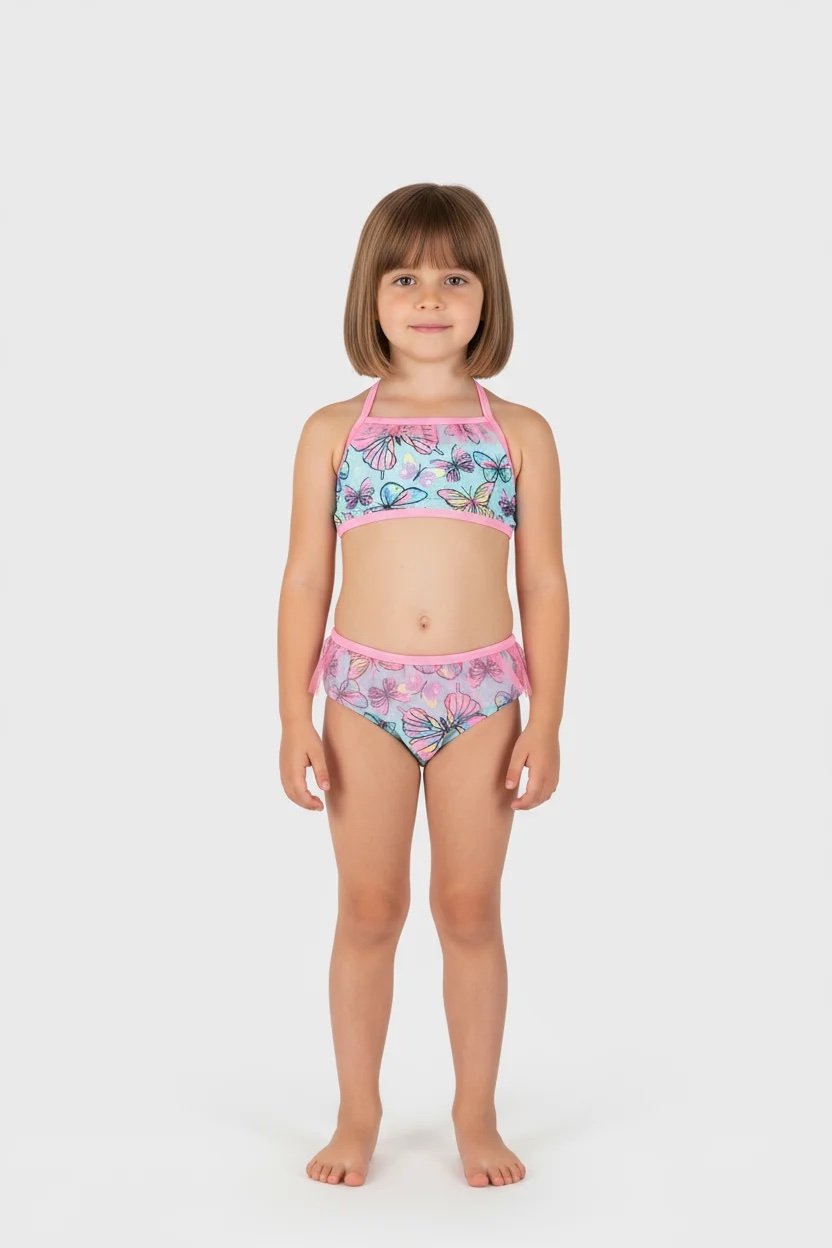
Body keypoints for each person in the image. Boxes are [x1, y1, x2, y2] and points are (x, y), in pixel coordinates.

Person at [277, 183, 569, 1187]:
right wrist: (292, 716)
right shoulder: (333, 429)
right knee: (368, 908)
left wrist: (547, 720)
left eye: (455, 277)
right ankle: (356, 1112)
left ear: (490, 294)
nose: (431, 297)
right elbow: (305, 578)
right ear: (371, 292)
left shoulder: (519, 432)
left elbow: (543, 582)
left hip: (483, 698)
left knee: (469, 908)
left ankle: (474, 1114)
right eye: (405, 278)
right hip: (363, 695)